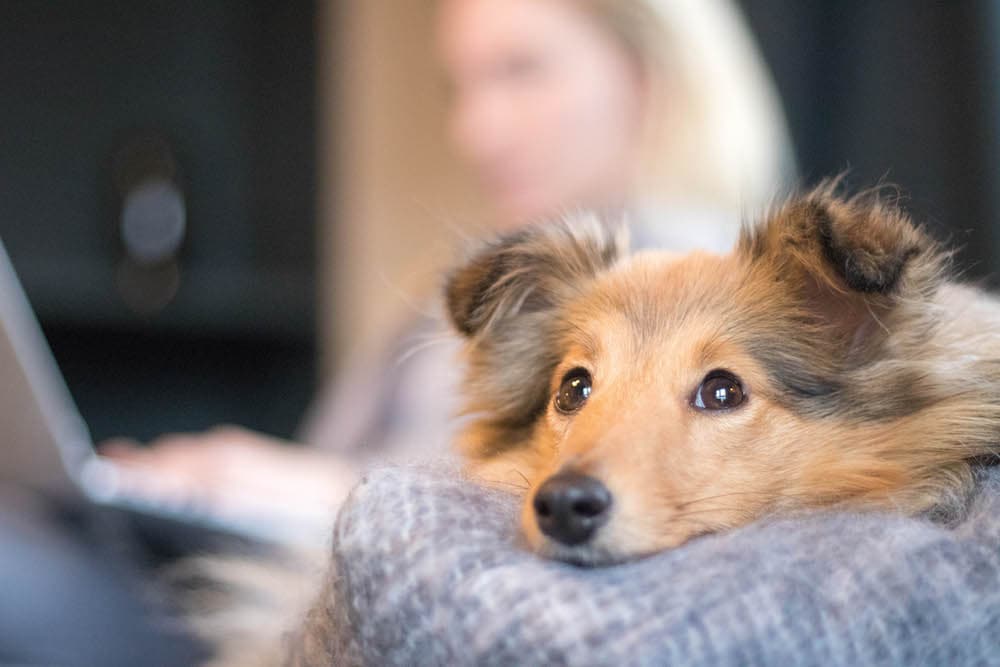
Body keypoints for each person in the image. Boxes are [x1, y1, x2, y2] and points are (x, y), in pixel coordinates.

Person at [104, 0, 795, 545]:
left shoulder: (705, 286)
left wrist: (309, 490)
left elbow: (566, 498)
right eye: (459, 87)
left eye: (521, 70)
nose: (476, 129)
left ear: (646, 76)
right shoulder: (480, 280)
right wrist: (228, 482)